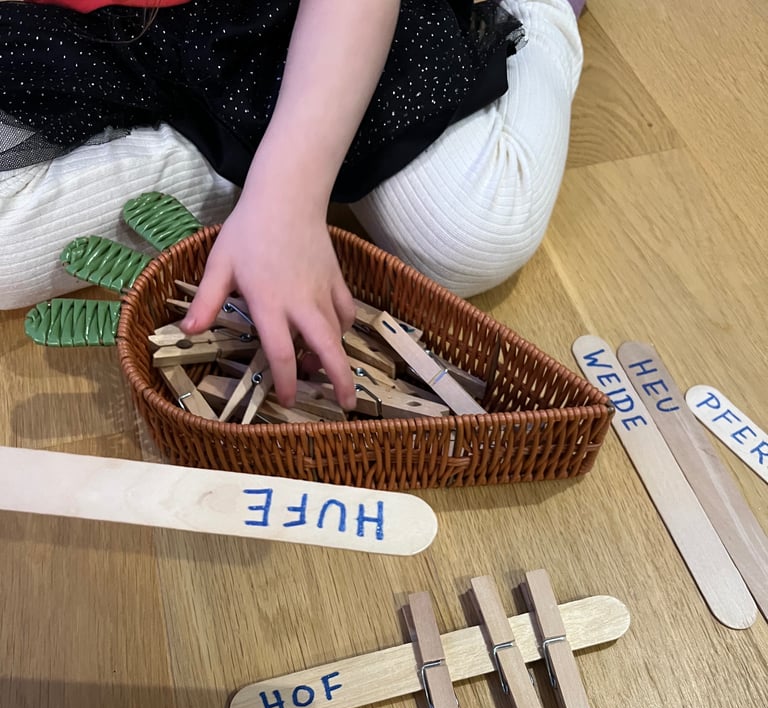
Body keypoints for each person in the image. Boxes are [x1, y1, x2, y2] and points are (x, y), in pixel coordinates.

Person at [0, 0, 584, 406]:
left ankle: (542, 13)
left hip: (295, 26)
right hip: (83, 34)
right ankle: (250, 156)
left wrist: (292, 189)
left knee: (472, 232)